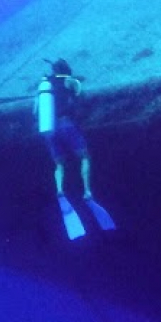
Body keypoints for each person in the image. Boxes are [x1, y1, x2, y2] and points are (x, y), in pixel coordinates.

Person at [36, 59, 115, 238]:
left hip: (48, 130)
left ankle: (60, 190)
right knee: (84, 157)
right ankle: (87, 191)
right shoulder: (69, 80)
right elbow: (79, 94)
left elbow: (36, 110)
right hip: (66, 124)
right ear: (66, 70)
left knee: (59, 165)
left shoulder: (44, 87)